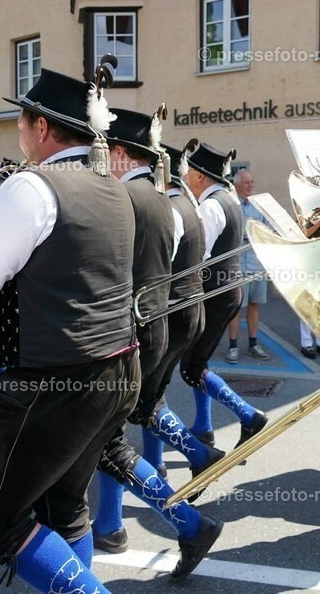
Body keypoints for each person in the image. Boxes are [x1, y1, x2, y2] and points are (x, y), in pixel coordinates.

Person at [0, 68, 137, 594]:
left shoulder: (31, 185)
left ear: (41, 127)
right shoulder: (114, 188)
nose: (19, 131)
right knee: (65, 506)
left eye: (21, 121)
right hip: (118, 367)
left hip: (58, 380)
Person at [90, 107, 223, 578]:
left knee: (107, 437)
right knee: (119, 428)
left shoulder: (125, 197)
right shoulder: (163, 197)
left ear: (119, 153)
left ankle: (170, 523)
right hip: (155, 322)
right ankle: (112, 523)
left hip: (130, 330)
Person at [140, 143, 227, 486]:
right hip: (188, 308)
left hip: (175, 311)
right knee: (152, 395)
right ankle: (157, 461)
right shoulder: (187, 204)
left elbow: (159, 266)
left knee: (144, 401)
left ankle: (197, 454)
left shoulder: (173, 208)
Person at [180, 143, 268, 450]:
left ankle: (248, 415)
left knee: (192, 368)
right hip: (227, 289)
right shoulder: (228, 199)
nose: (186, 178)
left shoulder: (210, 206)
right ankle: (203, 428)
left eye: (189, 172)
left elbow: (197, 255)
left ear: (200, 176)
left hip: (214, 293)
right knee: (198, 362)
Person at [225, 169, 271, 362]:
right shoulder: (231, 205)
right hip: (237, 266)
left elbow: (268, 230)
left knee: (254, 304)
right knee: (236, 307)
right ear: (236, 185)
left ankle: (253, 344)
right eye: (247, 182)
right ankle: (233, 346)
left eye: (252, 182)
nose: (251, 185)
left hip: (256, 264)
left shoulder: (258, 206)